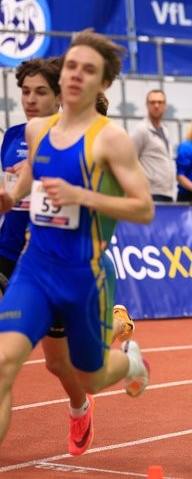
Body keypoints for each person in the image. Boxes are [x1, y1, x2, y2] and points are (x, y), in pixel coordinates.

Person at [0, 29, 154, 446]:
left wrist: (82, 195)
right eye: (71, 66)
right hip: (34, 269)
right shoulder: (36, 131)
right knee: (3, 364)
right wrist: (11, 195)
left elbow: (144, 207)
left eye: (88, 70)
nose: (75, 76)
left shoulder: (111, 139)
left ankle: (130, 364)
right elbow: (32, 170)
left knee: (91, 376)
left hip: (81, 276)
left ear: (103, 84)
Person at [131, 89, 175, 202]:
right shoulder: (141, 130)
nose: (156, 106)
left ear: (165, 105)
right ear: (146, 105)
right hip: (150, 192)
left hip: (167, 192)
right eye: (152, 102)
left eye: (160, 102)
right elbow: (130, 160)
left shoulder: (165, 129)